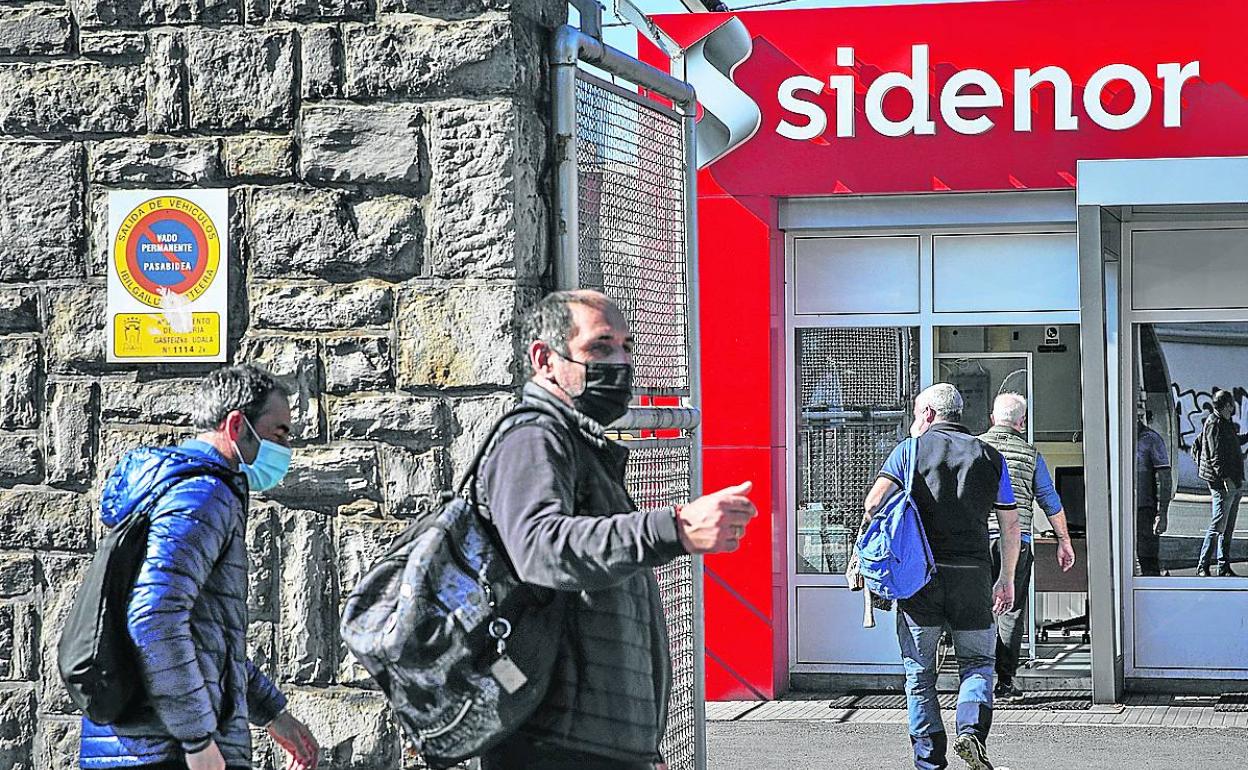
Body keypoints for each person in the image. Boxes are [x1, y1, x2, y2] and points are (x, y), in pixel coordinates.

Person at [476, 290, 758, 770]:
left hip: (597, 746)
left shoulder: (580, 445)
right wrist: (674, 528)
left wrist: (643, 749)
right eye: (601, 348)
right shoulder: (533, 438)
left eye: (627, 347)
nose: (621, 363)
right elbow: (540, 547)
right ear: (545, 359)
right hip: (552, 748)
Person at [79, 365, 319, 770]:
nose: (286, 447)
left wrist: (272, 713)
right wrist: (197, 739)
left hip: (140, 745)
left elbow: (208, 641)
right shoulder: (202, 494)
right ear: (237, 425)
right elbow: (154, 617)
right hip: (167, 751)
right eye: (279, 433)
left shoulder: (177, 489)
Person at [862, 383, 1020, 770]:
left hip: (921, 580)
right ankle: (971, 731)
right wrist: (1007, 578)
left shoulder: (909, 451)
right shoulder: (991, 457)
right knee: (979, 664)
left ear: (929, 414)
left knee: (919, 675)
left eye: (918, 413)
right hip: (973, 578)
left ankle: (929, 760)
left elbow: (872, 503)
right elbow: (1011, 526)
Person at [977, 394, 1076, 701]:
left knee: (977, 610)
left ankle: (976, 681)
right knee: (1010, 610)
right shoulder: (1030, 455)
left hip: (977, 541)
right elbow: (1051, 501)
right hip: (1017, 543)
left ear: (993, 418)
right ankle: (1005, 682)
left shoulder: (974, 447)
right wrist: (1064, 541)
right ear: (1022, 422)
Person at [1194, 389, 1243, 576]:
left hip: (1234, 481)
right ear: (1226, 406)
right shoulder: (1214, 424)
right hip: (1223, 484)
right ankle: (1203, 565)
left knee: (1227, 527)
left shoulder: (1224, 422)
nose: (1233, 409)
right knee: (1218, 525)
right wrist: (1225, 480)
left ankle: (1223, 566)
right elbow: (1215, 457)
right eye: (1231, 406)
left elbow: (1233, 443)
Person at [1136, 404, 1173, 577]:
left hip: (1144, 509)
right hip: (1119, 508)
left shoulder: (1150, 439)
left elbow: (1165, 478)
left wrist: (1162, 514)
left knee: (1148, 560)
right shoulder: (1112, 438)